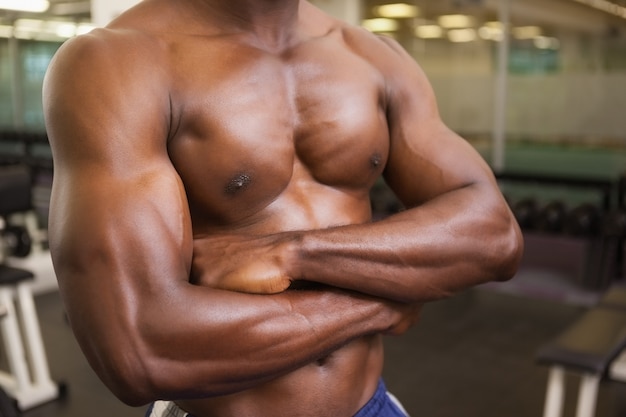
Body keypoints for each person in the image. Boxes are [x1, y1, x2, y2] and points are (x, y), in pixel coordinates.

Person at [42, 0, 523, 416]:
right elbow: (140, 350)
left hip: (368, 406)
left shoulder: (372, 56)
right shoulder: (116, 63)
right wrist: (380, 303)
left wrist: (293, 253)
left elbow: (494, 234)